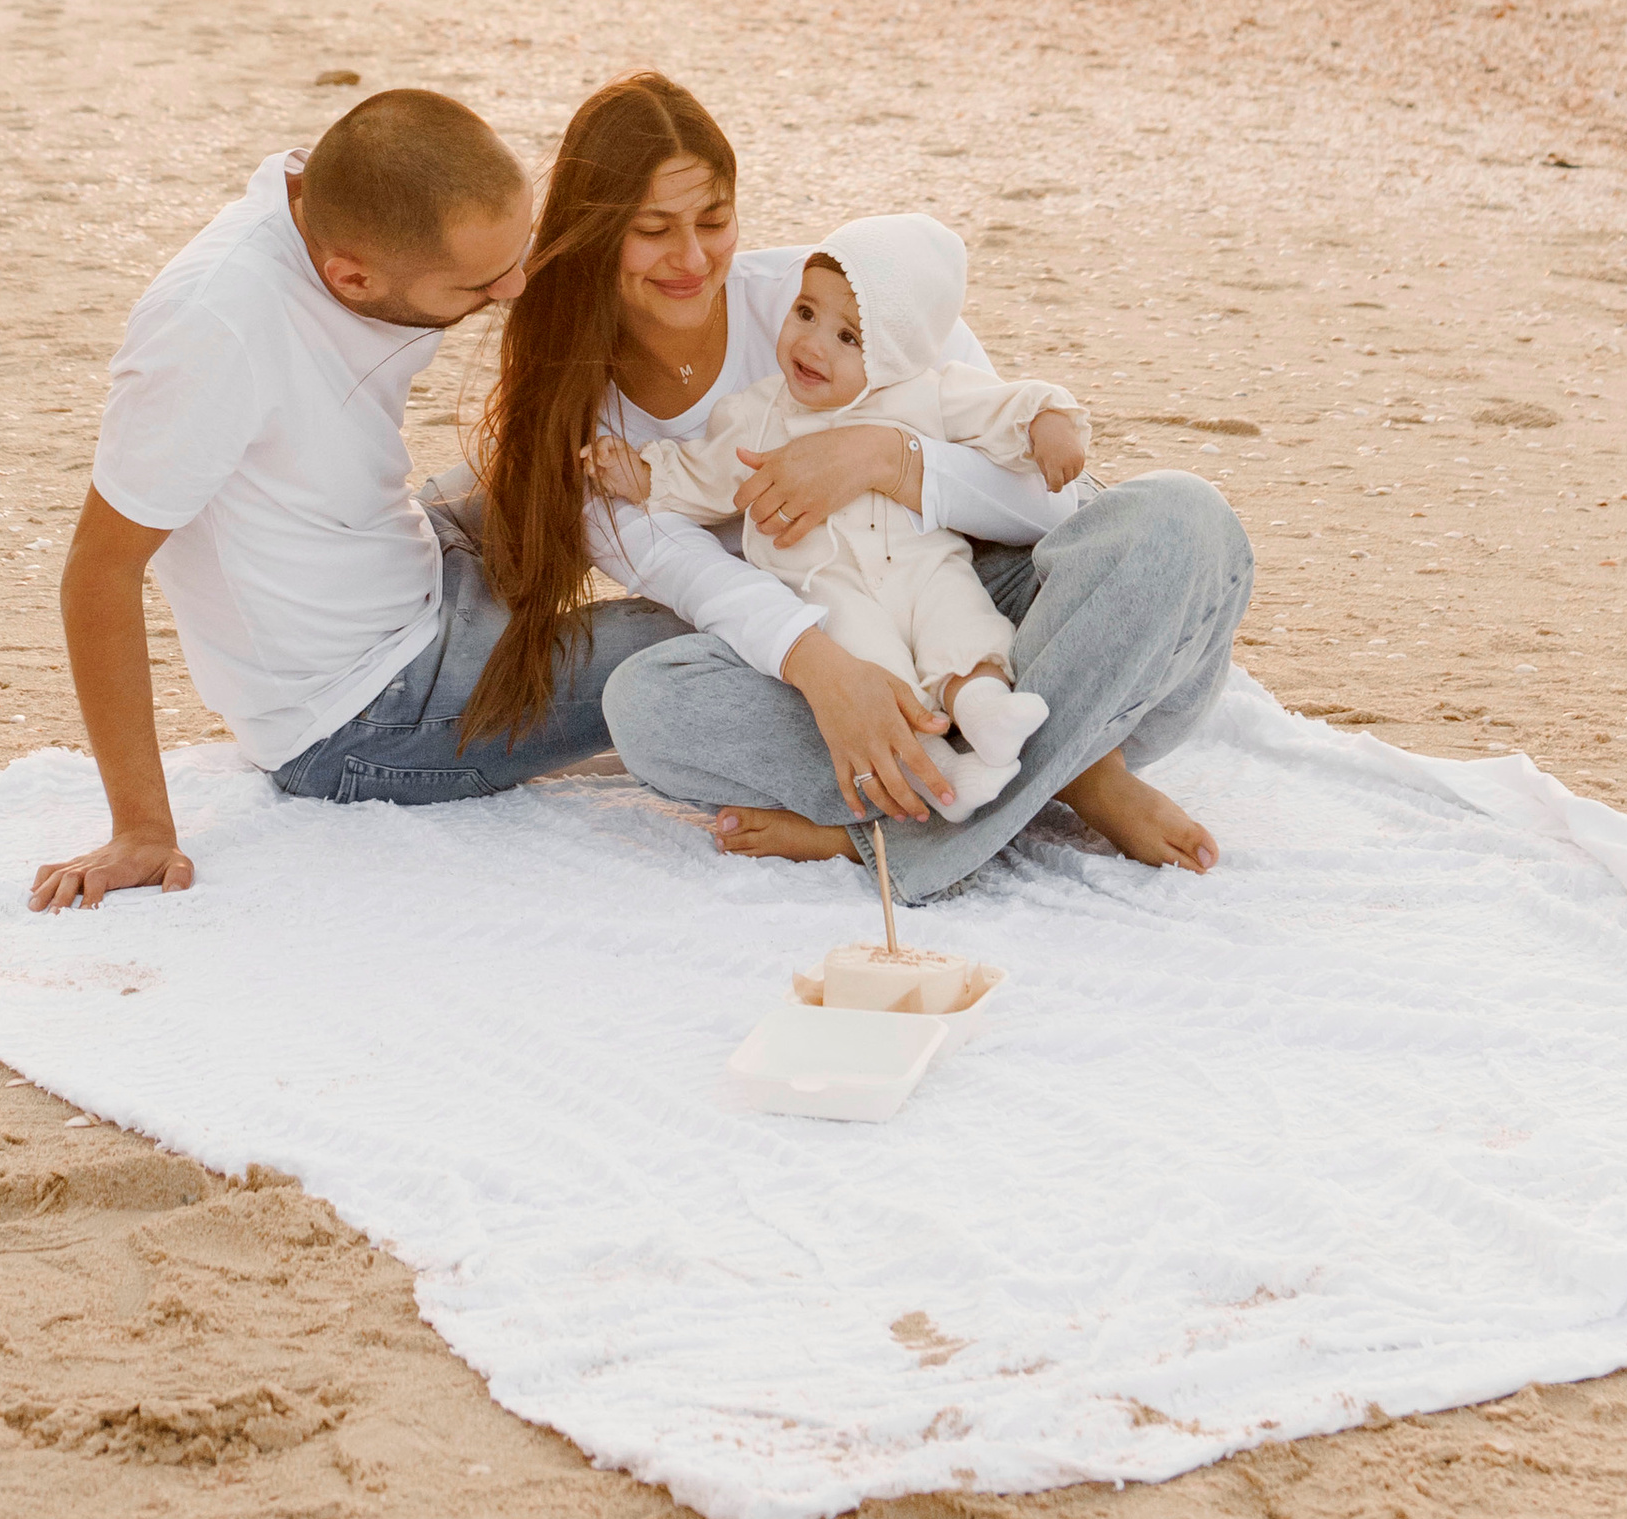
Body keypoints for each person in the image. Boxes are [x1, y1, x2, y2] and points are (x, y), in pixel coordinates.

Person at [472, 71, 1253, 904]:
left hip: (1002, 624)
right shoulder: (578, 417)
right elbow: (705, 586)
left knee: (1183, 518)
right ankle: (1066, 775)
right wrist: (829, 676)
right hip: (840, 646)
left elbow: (1054, 509)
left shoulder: (851, 292)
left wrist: (886, 458)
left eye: (714, 220)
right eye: (653, 230)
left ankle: (924, 826)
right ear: (595, 232)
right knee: (647, 704)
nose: (693, 258)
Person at [30, 88, 681, 910]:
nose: (515, 287)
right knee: (704, 639)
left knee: (608, 464)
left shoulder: (340, 196)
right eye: (482, 284)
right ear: (351, 277)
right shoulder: (210, 330)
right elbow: (98, 571)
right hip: (366, 715)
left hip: (409, 561)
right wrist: (141, 829)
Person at [593, 215, 1086, 815]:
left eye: (848, 337)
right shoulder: (757, 414)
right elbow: (705, 475)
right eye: (805, 313)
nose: (812, 344)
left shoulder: (924, 393)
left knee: (960, 620)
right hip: (827, 587)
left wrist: (1048, 422)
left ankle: (985, 707)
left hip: (925, 565)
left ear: (894, 352)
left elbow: (1004, 406)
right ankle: (939, 773)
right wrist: (643, 475)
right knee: (871, 666)